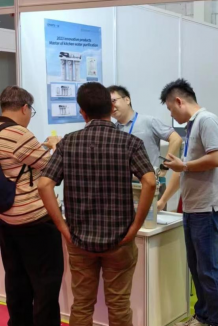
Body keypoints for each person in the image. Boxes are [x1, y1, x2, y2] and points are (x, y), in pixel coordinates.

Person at [37, 82, 157, 326]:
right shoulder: (130, 142)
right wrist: (135, 226)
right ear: (111, 108)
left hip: (79, 239)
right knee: (119, 305)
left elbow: (44, 185)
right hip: (120, 239)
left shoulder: (67, 143)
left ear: (82, 112)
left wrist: (62, 227)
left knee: (81, 304)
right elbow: (150, 181)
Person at [157, 78, 218, 326]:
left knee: (208, 270)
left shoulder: (207, 120)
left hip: (207, 207)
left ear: (179, 101)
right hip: (193, 208)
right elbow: (181, 170)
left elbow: (216, 158)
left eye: (170, 109)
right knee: (197, 268)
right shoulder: (192, 126)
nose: (171, 115)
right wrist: (164, 200)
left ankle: (216, 322)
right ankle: (202, 317)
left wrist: (185, 165)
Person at [0, 85, 63, 326]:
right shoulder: (18, 133)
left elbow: (16, 161)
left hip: (6, 218)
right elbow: (51, 167)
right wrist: (55, 144)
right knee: (46, 283)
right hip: (34, 220)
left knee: (16, 280)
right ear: (25, 108)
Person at [108, 85, 183, 168]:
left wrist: (164, 166)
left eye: (113, 101)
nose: (111, 106)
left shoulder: (148, 121)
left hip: (149, 175)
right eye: (107, 104)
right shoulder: (112, 130)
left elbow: (176, 139)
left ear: (127, 100)